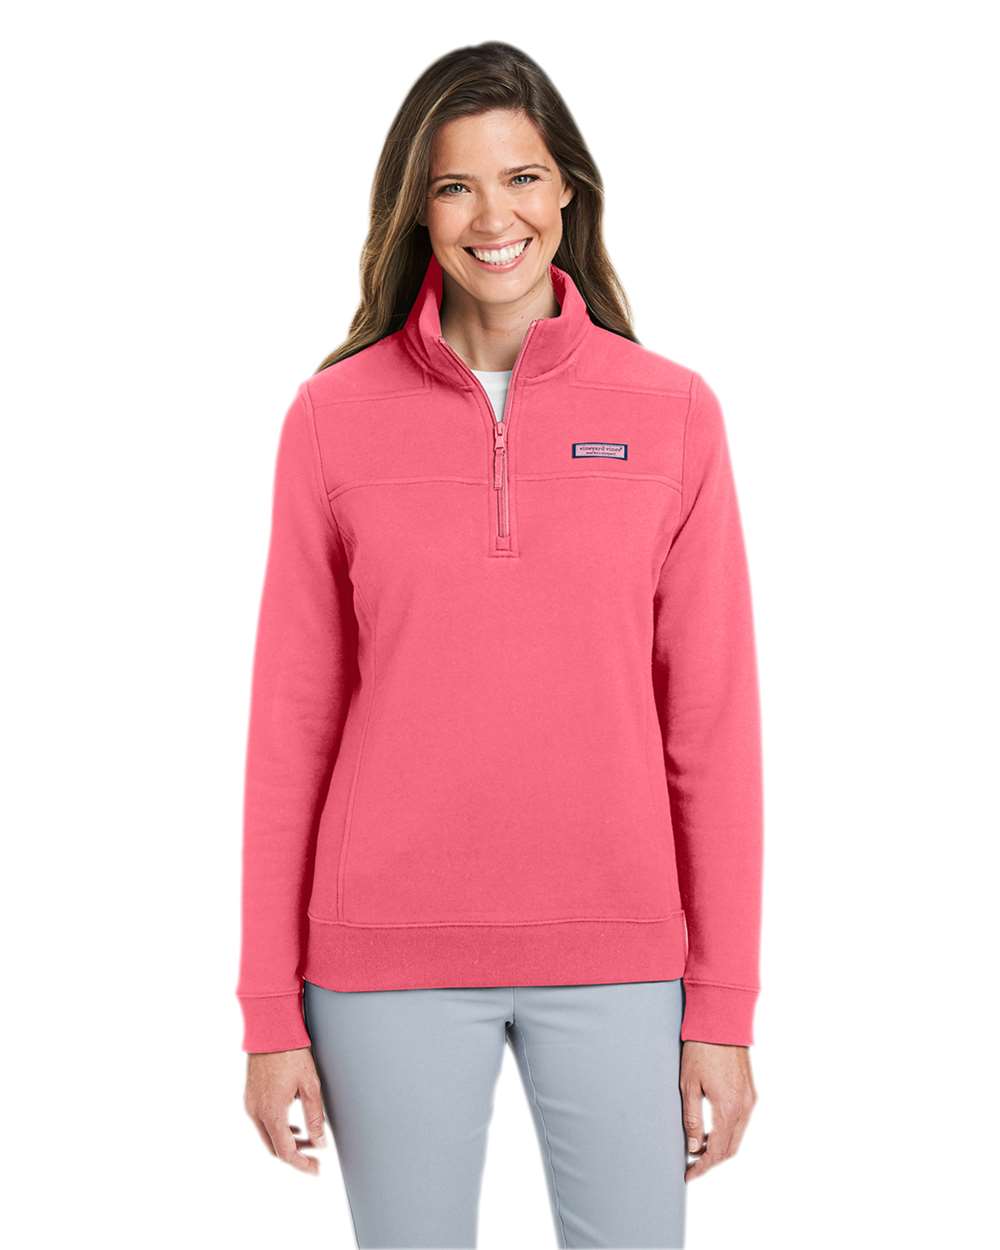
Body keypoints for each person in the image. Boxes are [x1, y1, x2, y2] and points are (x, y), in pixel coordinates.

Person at [237, 40, 762, 1250]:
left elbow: (712, 728)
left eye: (521, 178)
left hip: (623, 952)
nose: (493, 217)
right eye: (455, 186)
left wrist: (723, 1006)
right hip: (381, 961)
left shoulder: (673, 413)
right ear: (416, 208)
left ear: (566, 188)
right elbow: (289, 730)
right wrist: (269, 1012)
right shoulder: (330, 418)